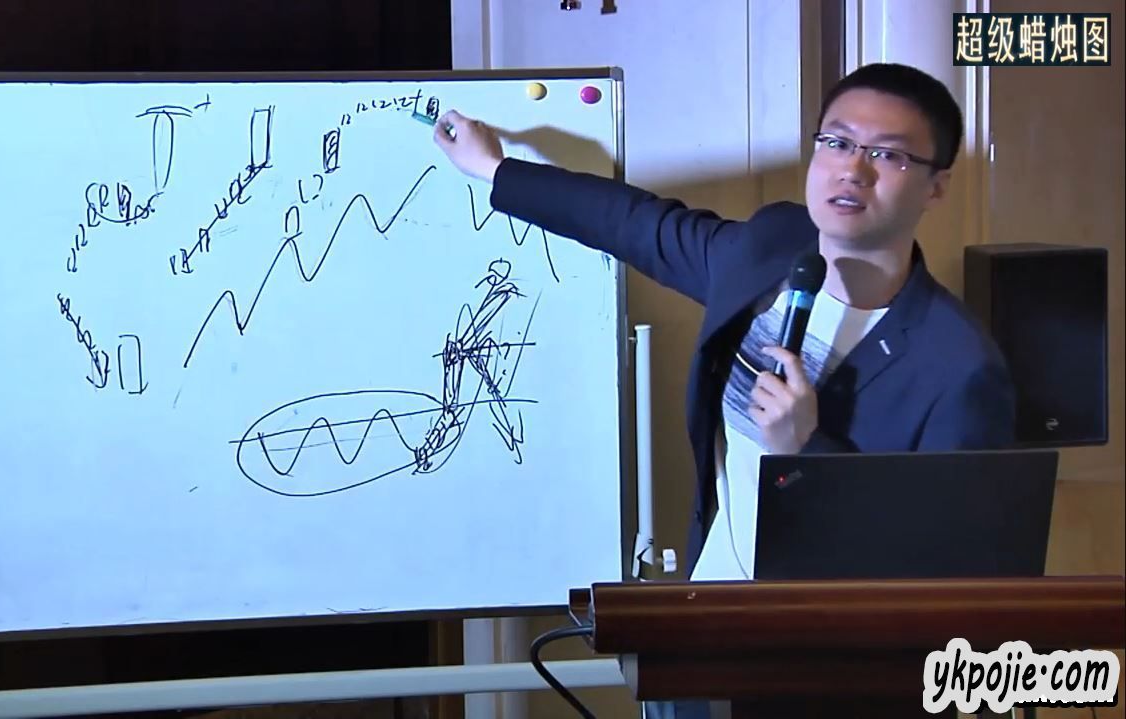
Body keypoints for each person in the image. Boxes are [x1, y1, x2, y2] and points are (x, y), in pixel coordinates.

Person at [433, 62, 1016, 717]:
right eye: (837, 142)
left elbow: (943, 586)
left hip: (827, 685)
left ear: (936, 185)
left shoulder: (958, 367)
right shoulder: (772, 248)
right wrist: (496, 170)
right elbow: (640, 225)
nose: (853, 169)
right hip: (705, 638)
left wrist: (806, 452)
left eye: (888, 154)